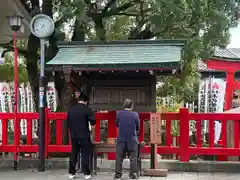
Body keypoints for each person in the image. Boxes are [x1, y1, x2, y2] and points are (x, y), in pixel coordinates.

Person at [67, 92, 96, 180]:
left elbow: (68, 123)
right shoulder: (87, 110)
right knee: (85, 154)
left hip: (74, 135)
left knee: (74, 153)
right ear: (86, 101)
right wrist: (93, 136)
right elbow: (93, 123)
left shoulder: (71, 109)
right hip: (84, 135)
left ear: (79, 100)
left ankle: (71, 173)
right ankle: (86, 173)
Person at [114, 99, 140, 180]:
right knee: (133, 158)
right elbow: (137, 127)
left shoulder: (119, 114)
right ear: (132, 106)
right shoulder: (135, 115)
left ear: (124, 105)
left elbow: (117, 124)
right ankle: (132, 175)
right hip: (132, 139)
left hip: (121, 139)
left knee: (119, 158)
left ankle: (118, 175)